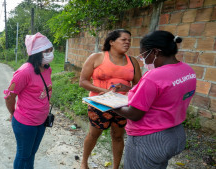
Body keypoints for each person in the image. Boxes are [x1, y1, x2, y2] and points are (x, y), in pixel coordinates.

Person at [112, 30, 196, 169]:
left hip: (149, 139)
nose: (143, 59)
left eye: (144, 54)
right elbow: (165, 94)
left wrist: (110, 104)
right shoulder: (187, 70)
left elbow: (135, 114)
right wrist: (130, 89)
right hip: (175, 134)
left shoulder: (154, 76)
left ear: (156, 52)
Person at [79, 29, 142, 169]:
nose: (127, 43)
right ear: (112, 42)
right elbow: (83, 81)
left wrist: (125, 87)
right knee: (94, 134)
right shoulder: (97, 57)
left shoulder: (132, 62)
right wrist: (104, 91)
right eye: (123, 40)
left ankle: (115, 167)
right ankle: (84, 162)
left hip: (123, 106)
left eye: (129, 40)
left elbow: (139, 86)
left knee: (118, 136)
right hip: (99, 104)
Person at [4, 32, 54, 169]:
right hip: (25, 123)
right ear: (36, 53)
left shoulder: (46, 69)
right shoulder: (24, 72)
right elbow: (10, 96)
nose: (50, 53)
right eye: (46, 51)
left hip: (41, 120)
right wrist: (13, 112)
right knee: (23, 155)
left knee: (32, 154)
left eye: (51, 50)